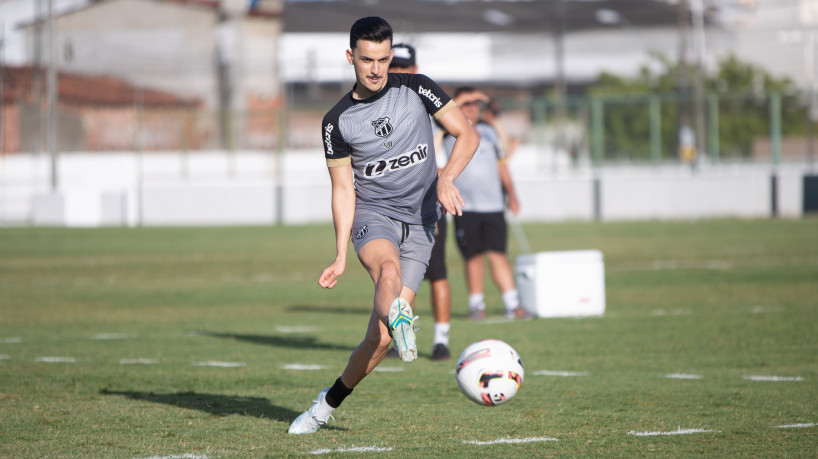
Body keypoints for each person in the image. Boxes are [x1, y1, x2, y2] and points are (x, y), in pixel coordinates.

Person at [288, 17, 479, 435]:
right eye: (366, 60)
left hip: (424, 222)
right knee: (387, 272)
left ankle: (324, 405)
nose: (375, 69)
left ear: (392, 56)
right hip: (374, 215)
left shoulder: (418, 88)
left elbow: (467, 133)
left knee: (380, 341)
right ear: (350, 57)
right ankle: (400, 315)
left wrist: (446, 177)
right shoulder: (336, 121)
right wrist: (340, 255)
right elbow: (342, 189)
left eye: (383, 59)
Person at [386, 42, 452, 361]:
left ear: (414, 69)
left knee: (437, 272)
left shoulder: (427, 104)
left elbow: (460, 129)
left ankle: (441, 340)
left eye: (403, 67)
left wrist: (446, 179)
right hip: (389, 207)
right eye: (392, 66)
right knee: (389, 275)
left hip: (428, 204)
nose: (397, 72)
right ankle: (389, 336)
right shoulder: (377, 105)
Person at [442, 87, 531, 321]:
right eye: (466, 103)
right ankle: (475, 305)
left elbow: (502, 164)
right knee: (472, 256)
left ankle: (513, 304)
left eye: (475, 103)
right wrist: (457, 104)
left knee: (497, 254)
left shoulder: (489, 131)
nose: (471, 107)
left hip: (492, 206)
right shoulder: (447, 129)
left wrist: (512, 193)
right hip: (464, 205)